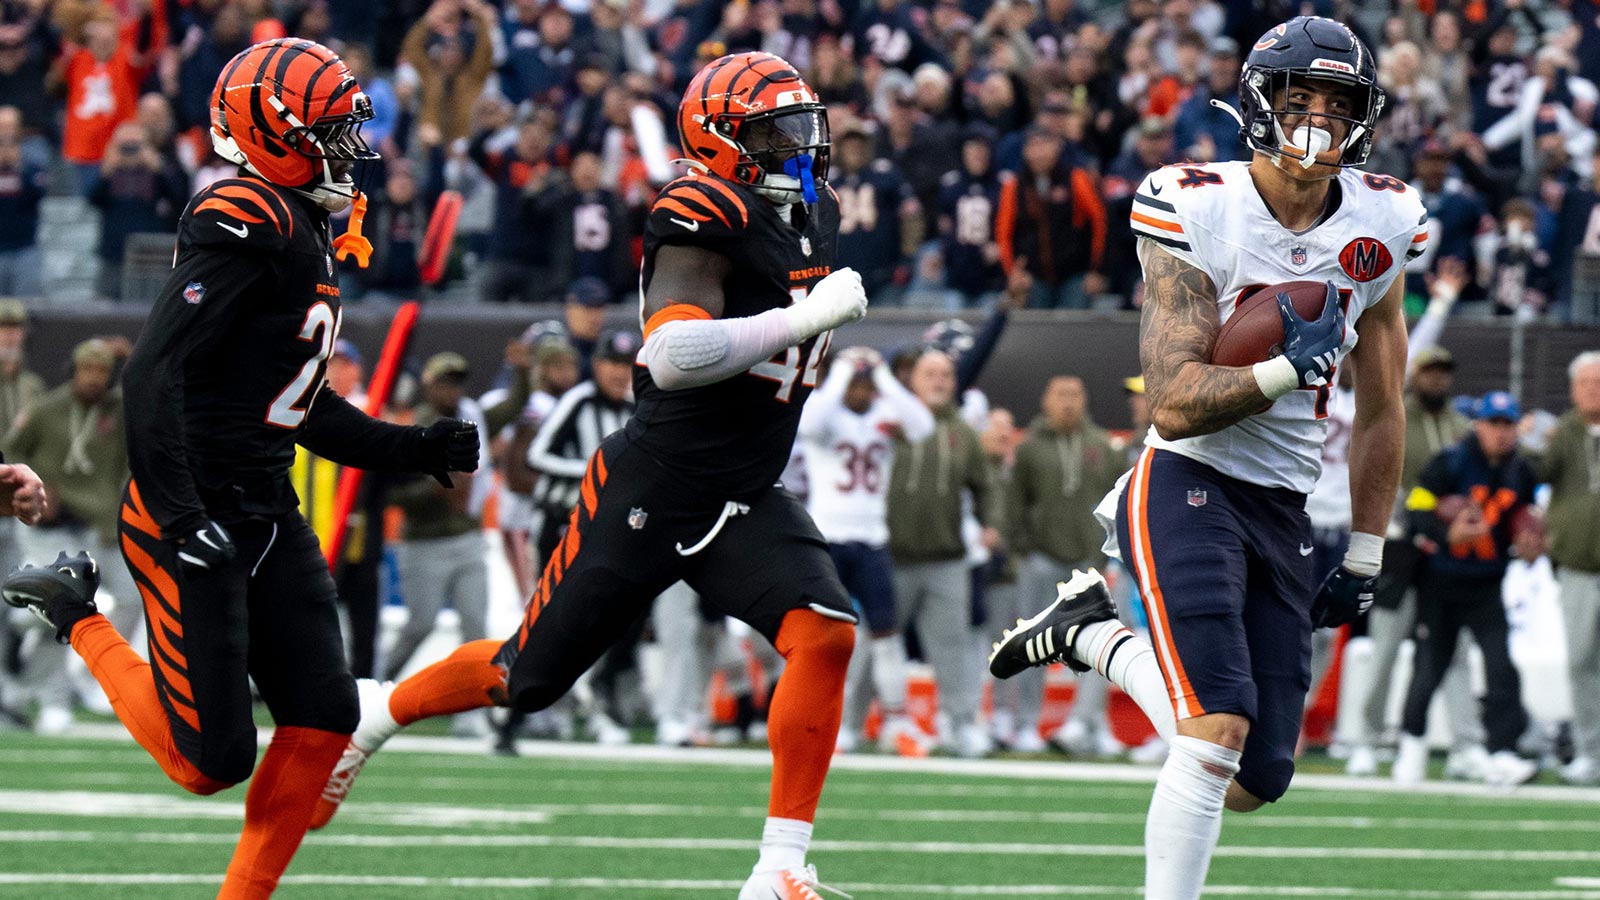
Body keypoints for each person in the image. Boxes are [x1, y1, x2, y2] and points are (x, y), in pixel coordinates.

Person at [312, 51, 868, 900]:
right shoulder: (700, 206)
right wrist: (805, 316)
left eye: (800, 126)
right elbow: (673, 354)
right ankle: (378, 711)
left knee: (825, 629)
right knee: (523, 676)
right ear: (721, 142)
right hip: (656, 483)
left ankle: (779, 867)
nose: (797, 146)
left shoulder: (811, 211)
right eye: (771, 131)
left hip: (744, 490)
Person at [0, 40, 479, 900]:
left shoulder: (303, 225)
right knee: (208, 762)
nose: (351, 148)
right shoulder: (245, 216)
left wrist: (413, 446)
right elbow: (153, 372)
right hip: (191, 509)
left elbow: (297, 405)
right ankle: (74, 609)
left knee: (325, 716)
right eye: (332, 130)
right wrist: (182, 518)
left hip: (263, 506)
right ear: (275, 133)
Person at [988, 18, 1417, 900]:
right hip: (1187, 478)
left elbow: (1382, 405)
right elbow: (1176, 406)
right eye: (1300, 104)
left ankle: (1088, 633)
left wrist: (1369, 547)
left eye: (1339, 109)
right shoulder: (1196, 202)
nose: (1319, 126)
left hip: (1283, 502)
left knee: (1260, 778)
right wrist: (1277, 368)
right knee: (1212, 728)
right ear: (1259, 108)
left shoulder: (1385, 219)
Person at [1395, 392, 1540, 786]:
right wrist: (1446, 533)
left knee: (1501, 667)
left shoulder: (1521, 470)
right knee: (1429, 667)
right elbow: (1416, 509)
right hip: (1440, 582)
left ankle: (1502, 751)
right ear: (1479, 425)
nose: (1500, 433)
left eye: (1508, 425)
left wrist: (1528, 543)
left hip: (1486, 585)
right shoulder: (1452, 461)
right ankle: (1411, 747)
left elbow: (1527, 516)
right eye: (1494, 424)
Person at [797, 345, 935, 755]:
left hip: (873, 538)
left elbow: (923, 425)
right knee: (823, 638)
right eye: (854, 384)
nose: (860, 390)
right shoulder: (827, 413)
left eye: (864, 384)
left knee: (885, 635)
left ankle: (895, 722)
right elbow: (810, 422)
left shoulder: (883, 413)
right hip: (829, 538)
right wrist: (840, 372)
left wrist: (883, 376)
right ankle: (822, 720)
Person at [2, 338, 135, 735]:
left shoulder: (123, 411)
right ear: (72, 371)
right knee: (57, 611)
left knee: (129, 597)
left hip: (99, 526)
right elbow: (9, 452)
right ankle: (53, 697)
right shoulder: (46, 409)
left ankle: (92, 677)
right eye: (87, 370)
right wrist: (29, 486)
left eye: (102, 371)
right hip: (47, 525)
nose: (93, 378)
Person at [885, 348, 1000, 757]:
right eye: (930, 373)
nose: (939, 381)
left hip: (946, 557)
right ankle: (848, 722)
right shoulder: (889, 420)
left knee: (951, 648)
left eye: (946, 375)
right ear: (910, 379)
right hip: (891, 555)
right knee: (871, 642)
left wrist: (991, 523)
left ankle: (959, 723)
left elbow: (985, 485)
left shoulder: (963, 431)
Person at [1003, 375, 1122, 755]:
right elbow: (1014, 504)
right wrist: (1021, 550)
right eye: (1061, 395)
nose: (1068, 402)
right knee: (1031, 644)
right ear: (1046, 401)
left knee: (1098, 648)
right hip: (1041, 559)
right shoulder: (1029, 448)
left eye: (1075, 395)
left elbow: (1115, 503)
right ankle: (1025, 724)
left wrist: (1107, 558)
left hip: (1091, 565)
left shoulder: (1103, 446)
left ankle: (1087, 724)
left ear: (1085, 400)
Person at [1537, 351, 1600, 784]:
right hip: (1577, 564)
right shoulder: (1564, 433)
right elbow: (1538, 472)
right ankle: (1591, 751)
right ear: (1574, 388)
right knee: (1580, 661)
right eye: (1585, 382)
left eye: (1598, 381)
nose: (1593, 389)